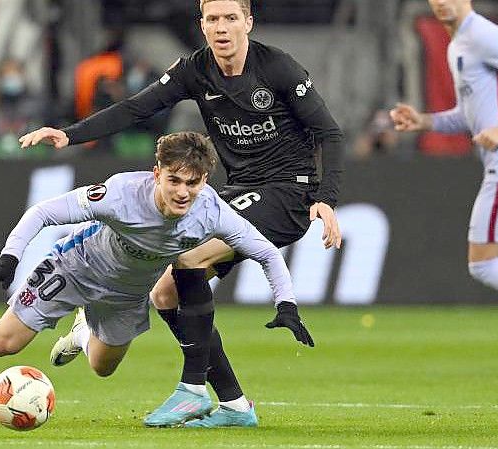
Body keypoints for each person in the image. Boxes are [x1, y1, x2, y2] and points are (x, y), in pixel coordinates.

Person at [18, 0, 344, 427]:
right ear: (202, 24)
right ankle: (234, 405)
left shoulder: (279, 69)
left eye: (231, 18)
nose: (222, 28)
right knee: (165, 294)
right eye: (213, 19)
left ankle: (191, 390)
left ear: (248, 22)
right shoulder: (195, 69)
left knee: (189, 256)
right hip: (238, 189)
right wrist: (69, 134)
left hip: (287, 192)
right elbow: (137, 107)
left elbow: (330, 133)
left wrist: (327, 198)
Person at [0, 132, 313, 431]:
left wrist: (287, 303)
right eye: (174, 180)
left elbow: (265, 251)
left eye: (193, 183)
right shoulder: (121, 193)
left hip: (127, 294)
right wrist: (9, 257)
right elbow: (43, 212)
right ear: (157, 174)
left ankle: (82, 332)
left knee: (102, 368)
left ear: (205, 181)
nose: (183, 192)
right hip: (75, 267)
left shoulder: (213, 212)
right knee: (4, 344)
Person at [390, 0, 498, 376]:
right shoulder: (460, 42)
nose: (440, 2)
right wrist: (424, 121)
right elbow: (471, 117)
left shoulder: (482, 34)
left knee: (484, 264)